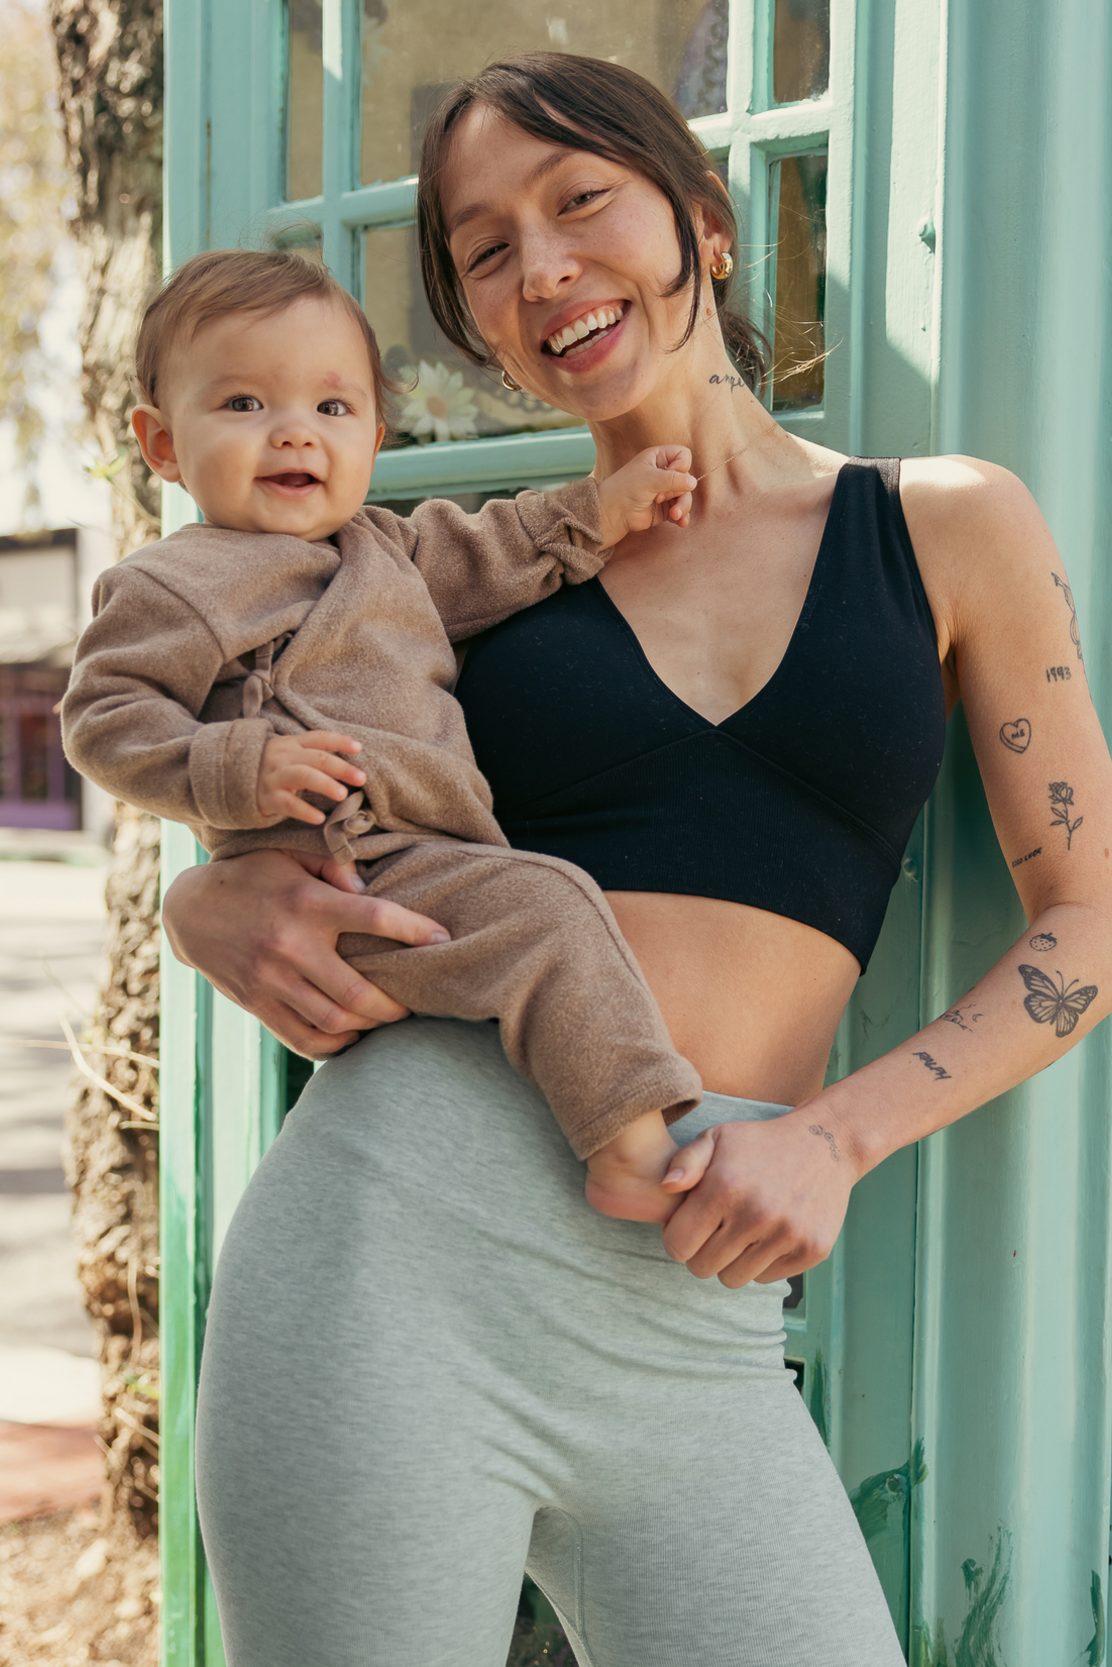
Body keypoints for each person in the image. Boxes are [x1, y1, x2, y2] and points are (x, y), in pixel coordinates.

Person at [162, 51, 1112, 1667]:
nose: (541, 267)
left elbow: (1098, 921)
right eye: (482, 248)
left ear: (699, 215)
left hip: (704, 1329)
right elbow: (244, 791)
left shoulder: (937, 524)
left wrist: (837, 1134)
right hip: (391, 1266)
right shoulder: (458, 588)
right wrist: (217, 889)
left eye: (579, 201)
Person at [63, 247, 709, 1218]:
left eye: (332, 408)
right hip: (341, 862)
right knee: (551, 911)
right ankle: (632, 1147)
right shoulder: (172, 582)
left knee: (532, 931)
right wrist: (239, 765)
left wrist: (605, 511)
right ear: (161, 445)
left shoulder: (388, 547)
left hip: (429, 847)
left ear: (375, 432)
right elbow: (103, 718)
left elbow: (502, 545)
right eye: (243, 404)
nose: (294, 434)